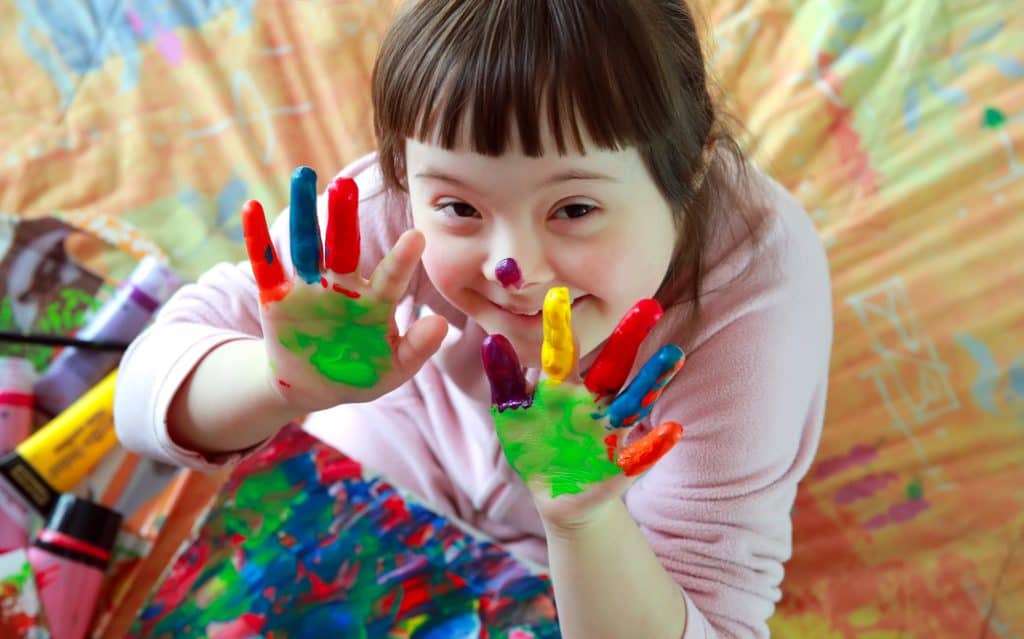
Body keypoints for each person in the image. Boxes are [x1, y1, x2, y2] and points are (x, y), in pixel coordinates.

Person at [114, 1, 833, 637]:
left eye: (574, 209)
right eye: (460, 207)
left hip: (613, 548)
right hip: (404, 437)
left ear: (692, 168)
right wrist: (276, 382)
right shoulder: (390, 211)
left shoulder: (753, 310)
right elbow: (139, 397)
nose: (512, 268)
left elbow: (716, 619)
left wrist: (583, 519)